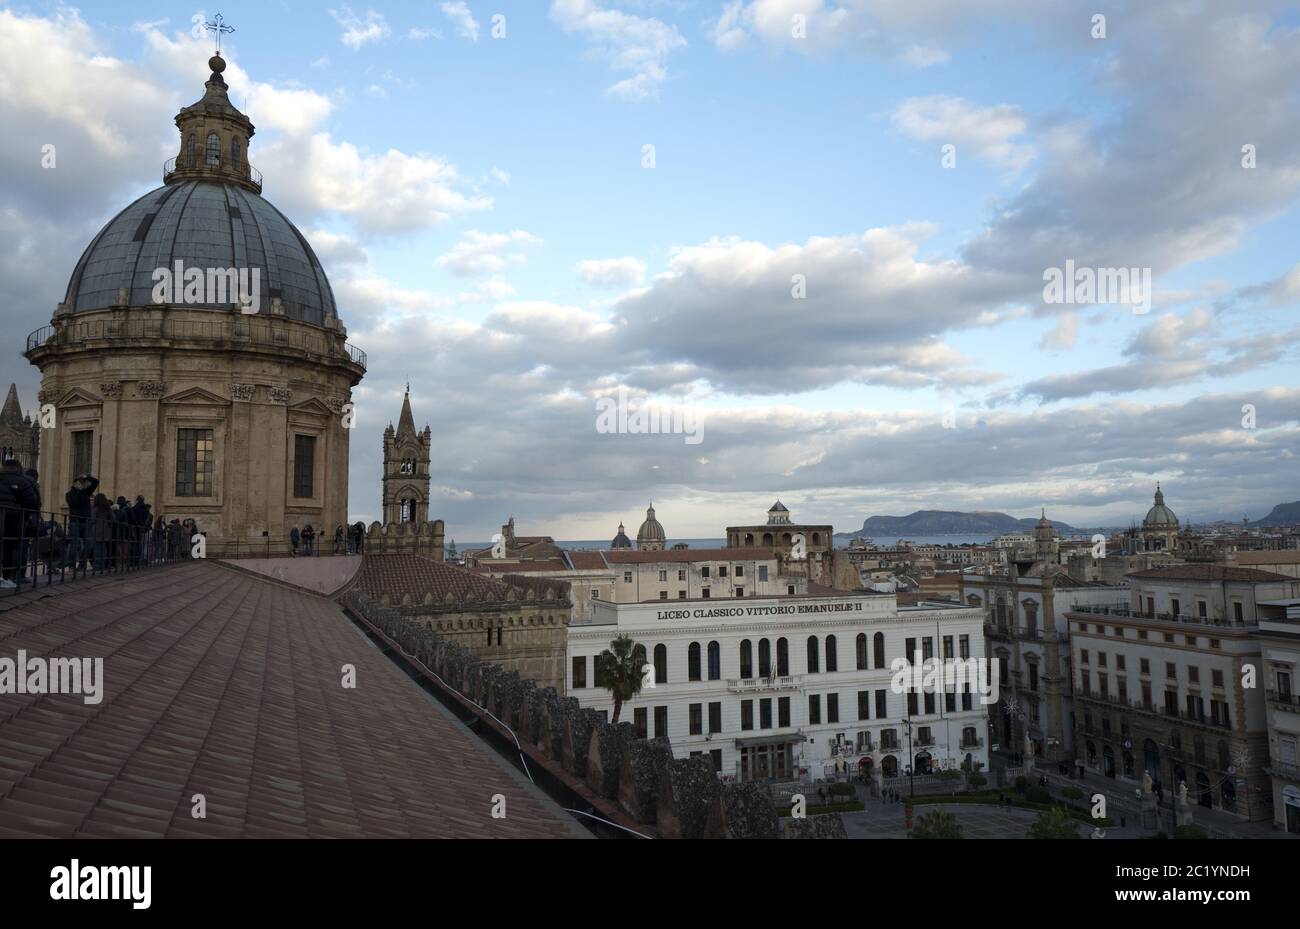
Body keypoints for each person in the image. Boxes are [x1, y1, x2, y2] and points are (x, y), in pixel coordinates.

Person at [0, 458, 40, 587]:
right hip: (13, 517)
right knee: (9, 546)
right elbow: (32, 502)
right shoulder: (22, 481)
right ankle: (6, 577)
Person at [65, 473, 98, 570]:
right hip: (75, 522)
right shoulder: (69, 494)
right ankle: (71, 565)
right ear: (75, 483)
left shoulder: (86, 493)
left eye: (83, 483)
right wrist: (78, 490)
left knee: (88, 543)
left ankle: (82, 565)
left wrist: (87, 477)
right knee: (75, 544)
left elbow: (96, 482)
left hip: (86, 521)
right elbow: (75, 502)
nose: (82, 484)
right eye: (80, 482)